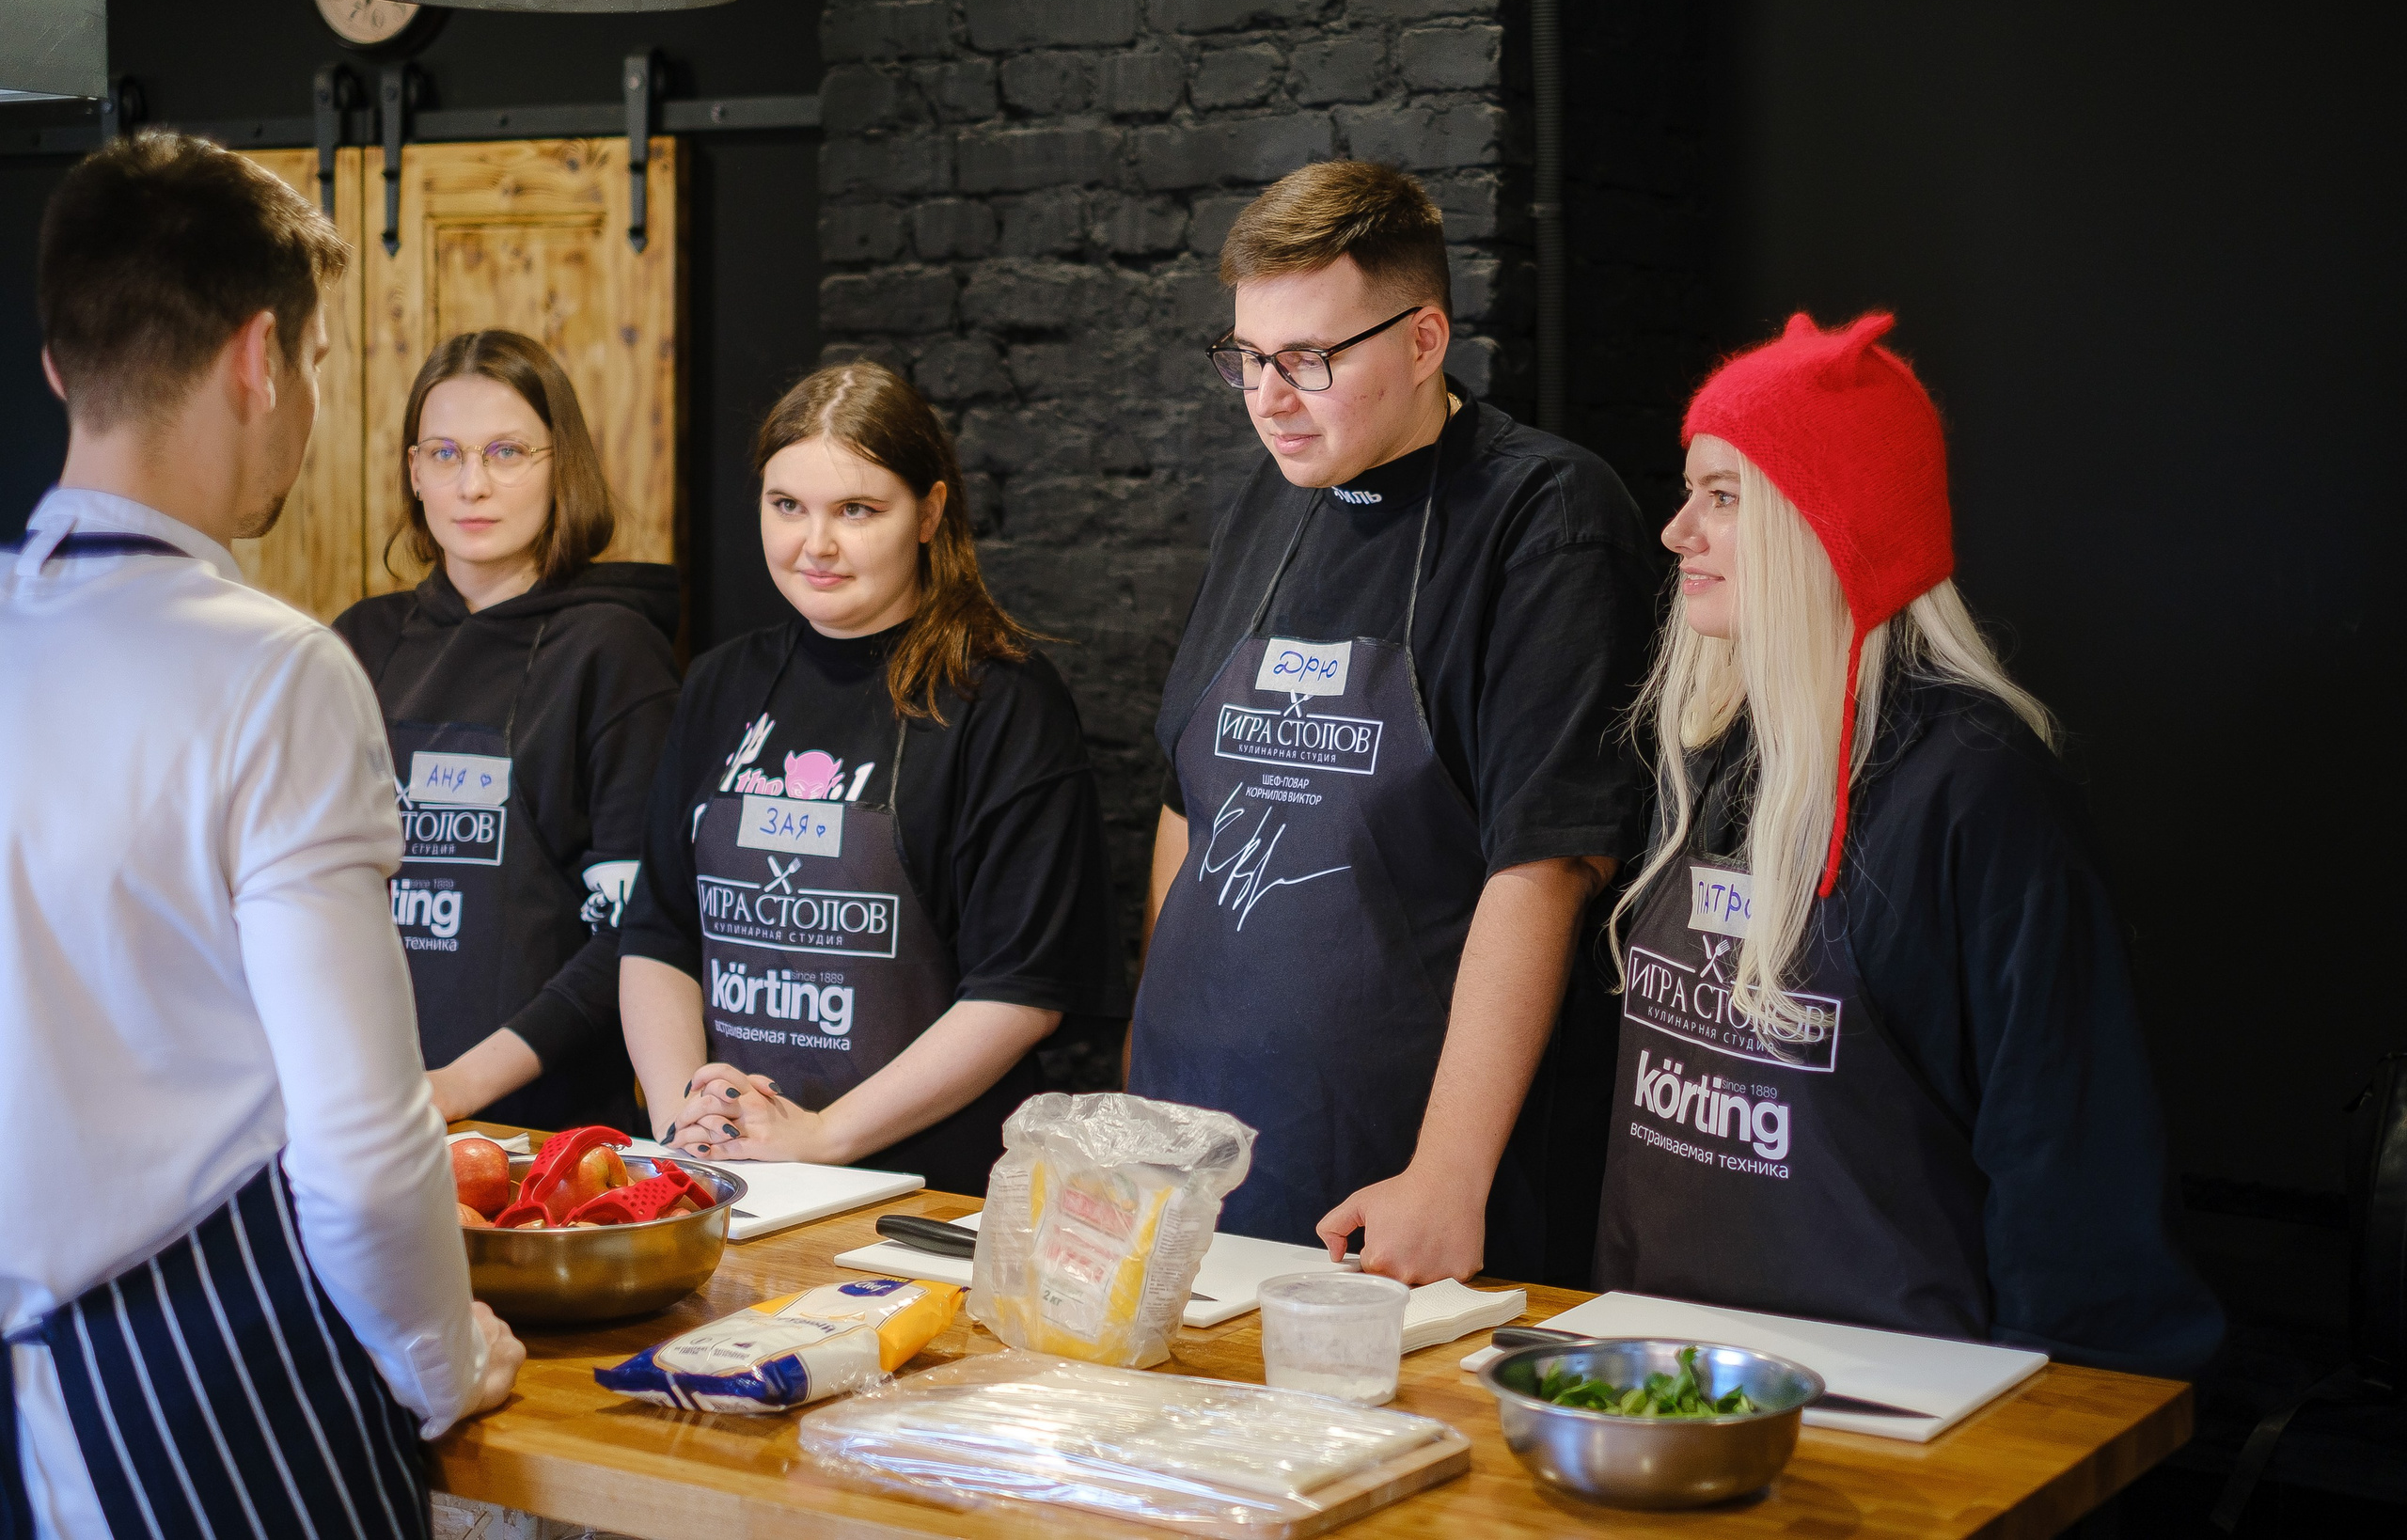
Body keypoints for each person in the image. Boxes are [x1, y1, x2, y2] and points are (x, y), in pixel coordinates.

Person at [2, 134, 522, 1536]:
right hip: (215, 1385)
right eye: (321, 359)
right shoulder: (273, 671)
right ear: (259, 361)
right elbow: (360, 1137)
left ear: (63, 365)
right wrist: (441, 1360)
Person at [1594, 310, 2224, 1375]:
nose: (1675, 533)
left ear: (1823, 522)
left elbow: (2065, 1168)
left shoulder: (1975, 792)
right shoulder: (1708, 756)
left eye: (1723, 498)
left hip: (1892, 1412)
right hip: (1658, 1378)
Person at [1127, 161, 1659, 1285]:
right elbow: (1190, 809)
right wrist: (1137, 1103)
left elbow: (1548, 861)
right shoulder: (1270, 504)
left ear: (1424, 341)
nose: (1268, 396)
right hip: (1190, 1157)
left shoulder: (1542, 517)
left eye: (1310, 360)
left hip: (1385, 1189)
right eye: (1247, 359)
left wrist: (1448, 1172)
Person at [617, 361, 1125, 1194]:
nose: (815, 545)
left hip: (926, 1188)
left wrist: (822, 1135)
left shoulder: (1001, 702)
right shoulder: (719, 684)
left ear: (928, 513)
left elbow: (1021, 990)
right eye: (788, 507)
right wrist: (686, 1121)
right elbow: (660, 934)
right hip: (729, 1176)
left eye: (857, 510)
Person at [333, 331, 680, 1133]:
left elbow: (635, 930)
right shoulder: (359, 641)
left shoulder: (612, 649)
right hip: (370, 1114)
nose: (474, 484)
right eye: (446, 454)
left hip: (547, 1129)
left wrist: (457, 1086)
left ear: (564, 465)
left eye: (508, 452)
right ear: (414, 471)